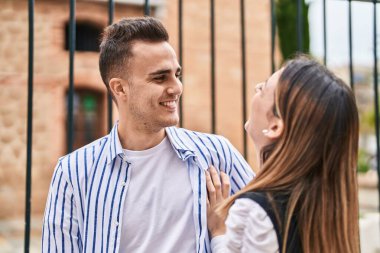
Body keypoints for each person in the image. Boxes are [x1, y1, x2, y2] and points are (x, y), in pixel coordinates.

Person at [41, 17, 254, 253]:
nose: (177, 87)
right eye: (160, 77)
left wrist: (220, 236)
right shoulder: (73, 172)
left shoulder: (216, 154)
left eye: (177, 74)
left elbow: (276, 225)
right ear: (120, 88)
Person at [206, 56, 360, 253]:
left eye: (263, 89)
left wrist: (218, 231)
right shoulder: (330, 210)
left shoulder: (257, 213)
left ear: (275, 126)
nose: (256, 89)